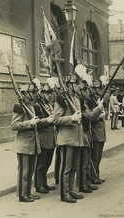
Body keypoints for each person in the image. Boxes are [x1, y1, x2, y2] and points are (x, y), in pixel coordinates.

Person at [11, 84, 51, 203]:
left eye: (34, 92)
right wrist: (29, 122)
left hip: (32, 143)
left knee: (30, 171)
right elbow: (14, 125)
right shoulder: (20, 107)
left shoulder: (31, 106)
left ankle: (28, 193)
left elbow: (36, 123)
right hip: (24, 144)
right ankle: (22, 195)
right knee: (24, 171)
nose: (34, 95)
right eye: (32, 93)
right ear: (25, 94)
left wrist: (45, 120)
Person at [53, 73, 84, 203]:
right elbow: (55, 119)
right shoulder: (62, 99)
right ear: (70, 85)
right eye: (76, 83)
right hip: (66, 139)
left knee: (73, 167)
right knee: (66, 168)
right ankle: (64, 193)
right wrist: (71, 118)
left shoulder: (75, 98)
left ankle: (71, 190)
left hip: (76, 138)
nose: (79, 86)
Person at [34, 84, 56, 194]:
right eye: (46, 93)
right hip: (43, 138)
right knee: (41, 163)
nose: (49, 95)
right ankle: (38, 185)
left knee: (48, 162)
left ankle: (44, 183)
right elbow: (36, 123)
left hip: (51, 138)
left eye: (50, 93)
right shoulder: (38, 106)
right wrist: (47, 121)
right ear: (41, 94)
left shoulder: (50, 105)